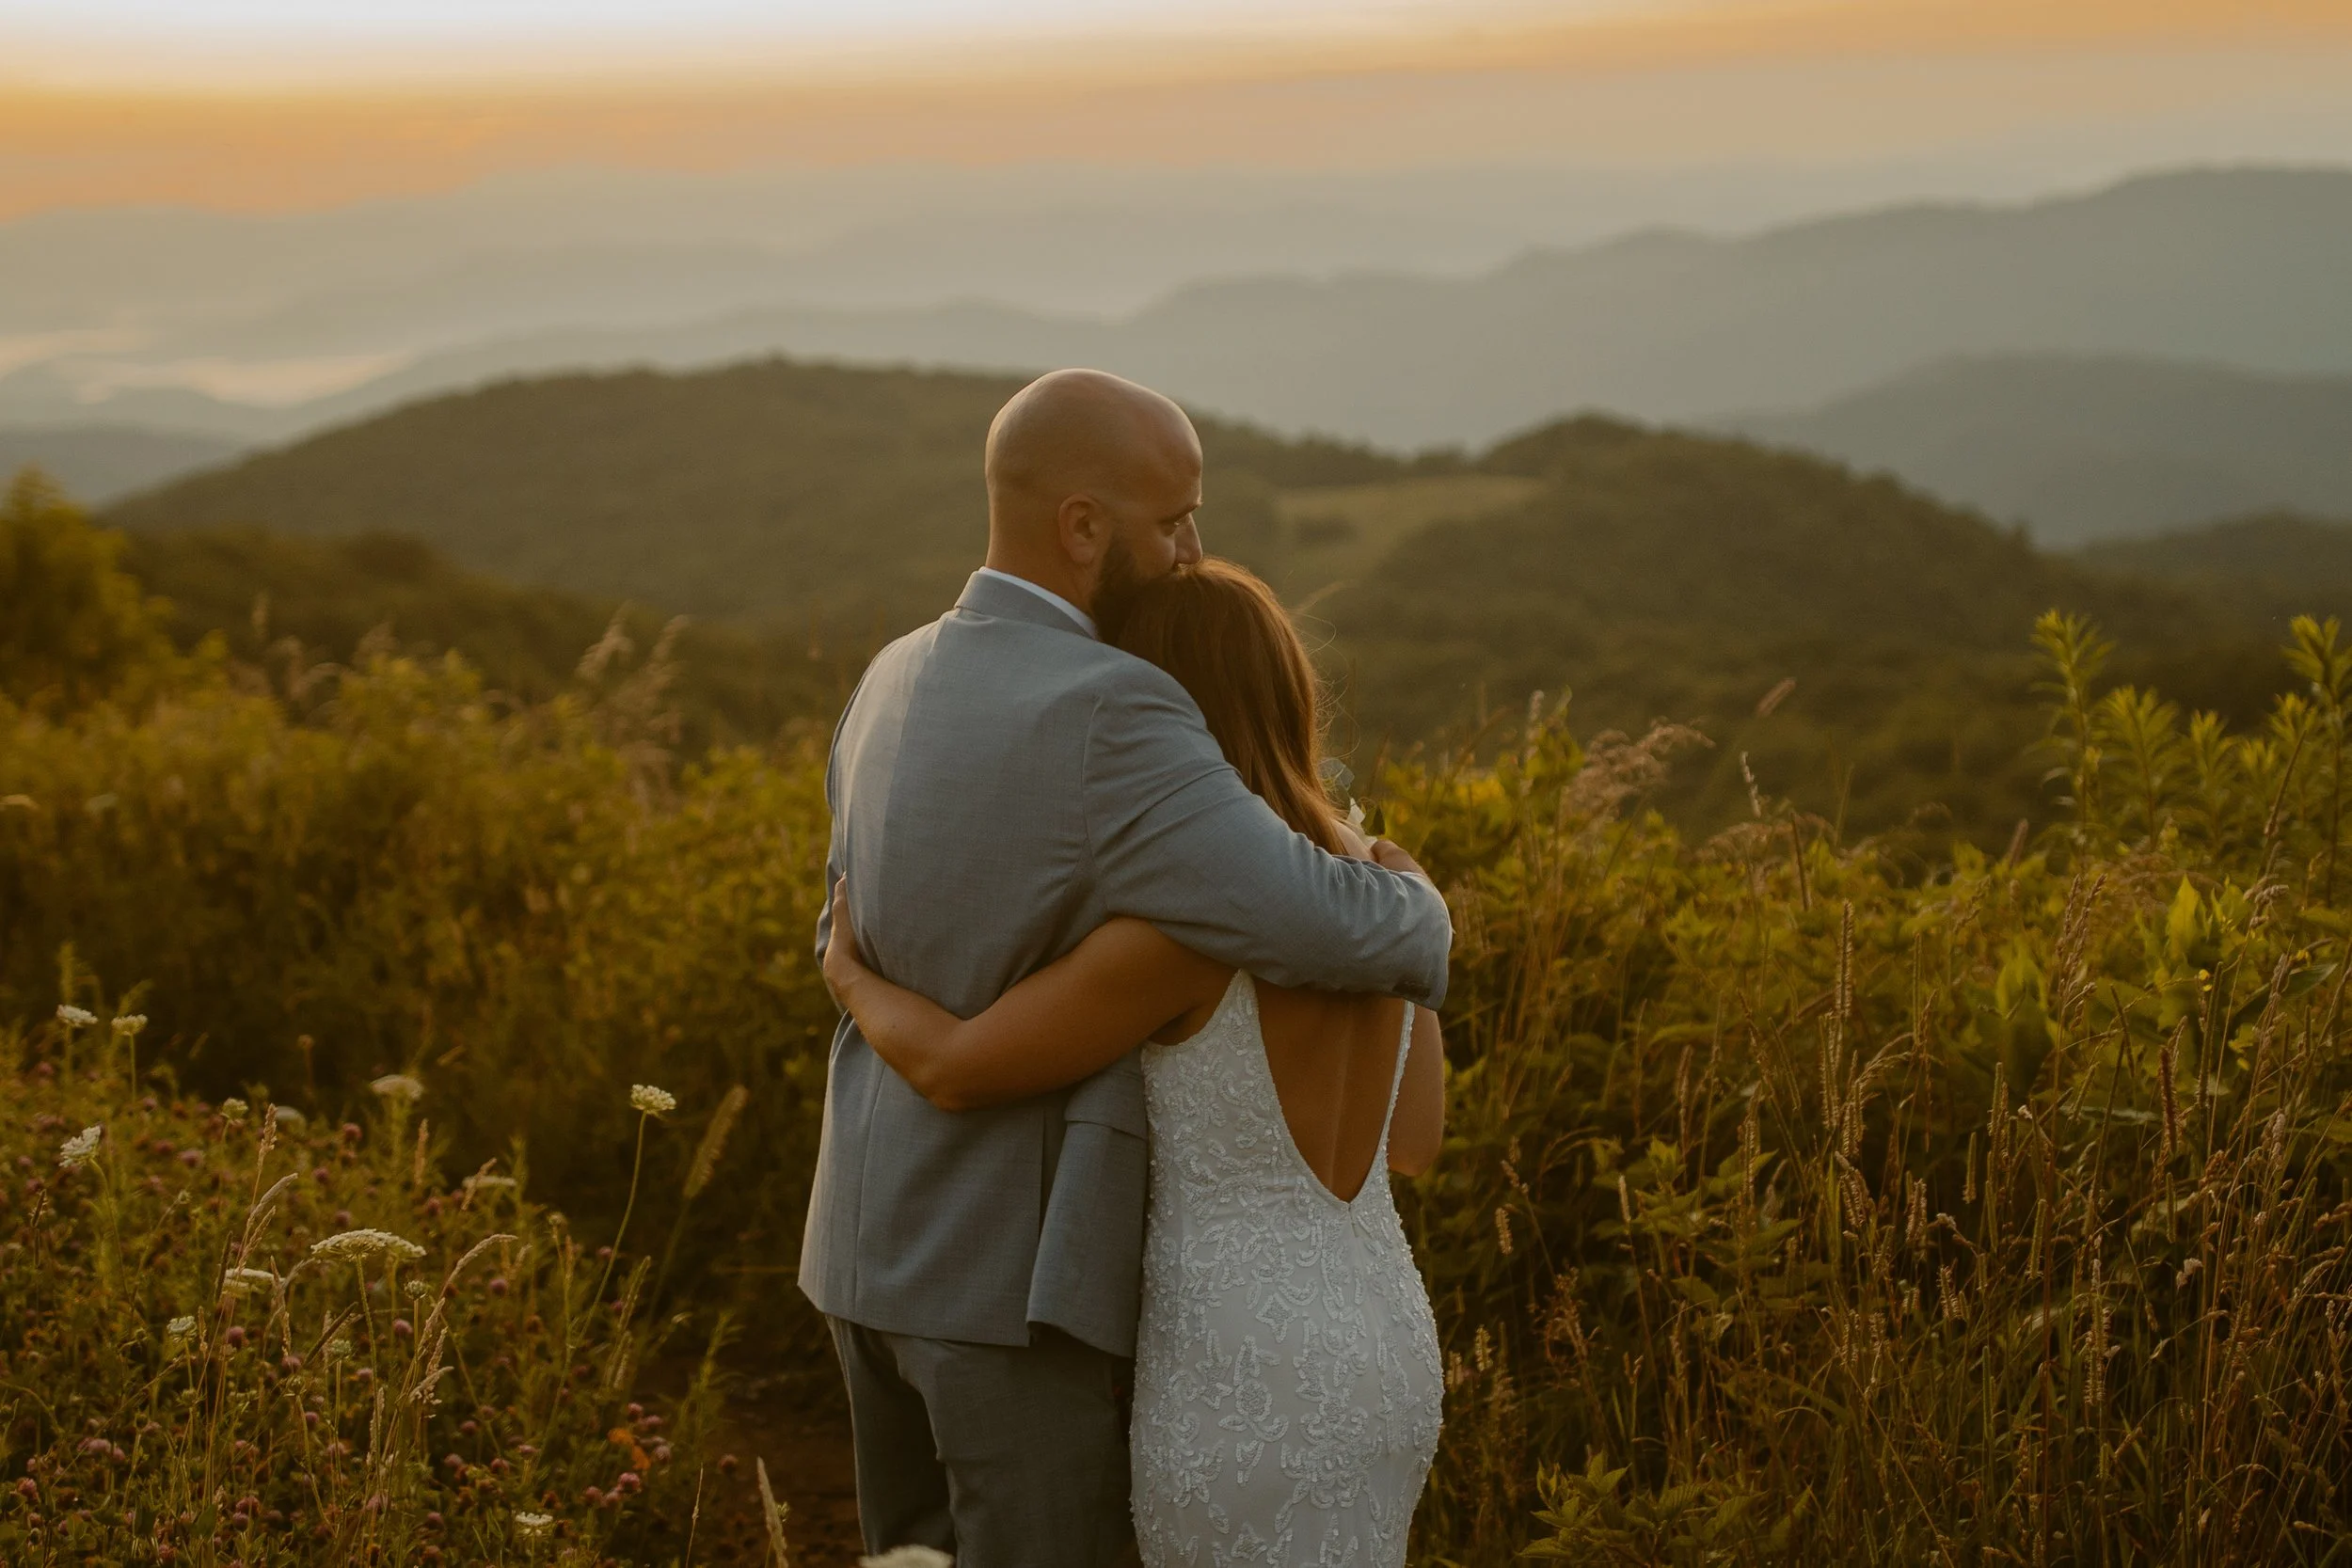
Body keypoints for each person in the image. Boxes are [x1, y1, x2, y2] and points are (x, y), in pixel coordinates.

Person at [801, 369, 1453, 1568]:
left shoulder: (885, 676)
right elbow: (1324, 919)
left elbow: (862, 914)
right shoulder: (1118, 702)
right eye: (1172, 521)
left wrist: (843, 980)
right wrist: (1418, 906)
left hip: (857, 1247)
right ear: (1083, 524)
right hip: (1011, 1284)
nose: (1193, 547)